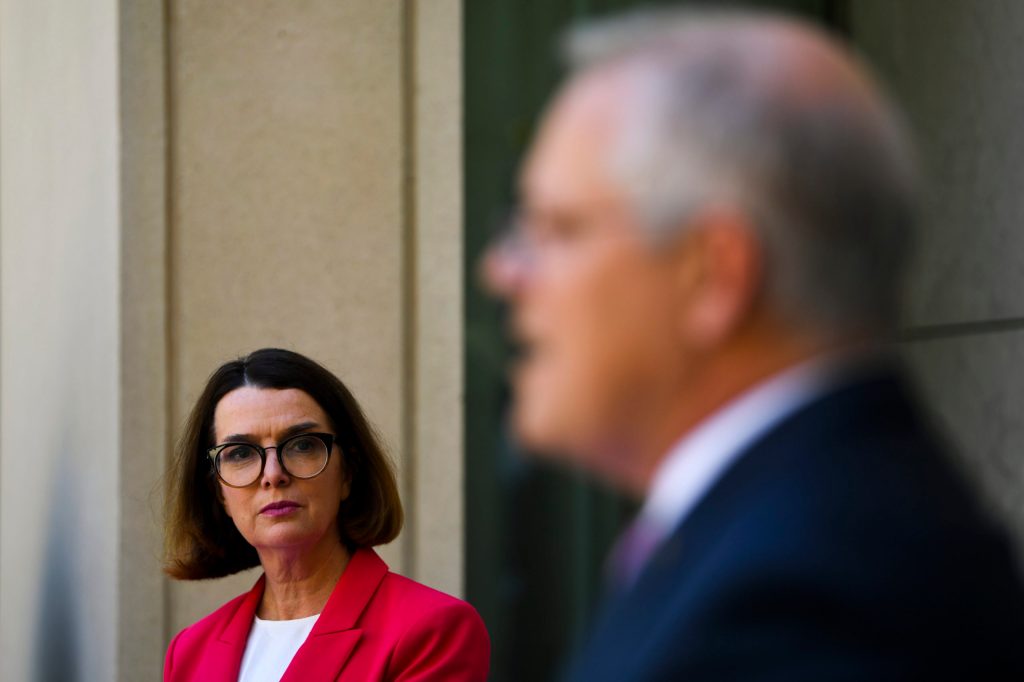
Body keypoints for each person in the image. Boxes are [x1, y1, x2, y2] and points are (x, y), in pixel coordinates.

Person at [484, 8, 1024, 681]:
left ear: (714, 274)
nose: (503, 272)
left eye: (556, 230)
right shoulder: (786, 530)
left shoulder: (807, 596)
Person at [163, 348, 489, 681]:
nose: (273, 474)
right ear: (220, 492)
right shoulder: (190, 651)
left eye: (302, 445)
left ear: (347, 472)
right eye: (240, 453)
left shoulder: (432, 630)